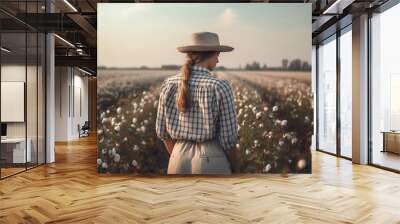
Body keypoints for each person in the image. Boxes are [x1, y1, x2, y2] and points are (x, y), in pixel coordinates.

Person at [155, 31, 240, 175]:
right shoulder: (219, 86)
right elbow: (228, 141)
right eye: (217, 56)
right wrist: (237, 167)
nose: (218, 61)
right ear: (211, 55)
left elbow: (162, 133)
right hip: (212, 160)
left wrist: (179, 154)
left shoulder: (168, 84)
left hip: (176, 159)